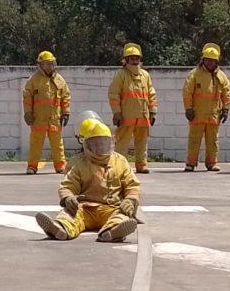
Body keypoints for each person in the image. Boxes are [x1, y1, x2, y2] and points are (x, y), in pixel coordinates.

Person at [35, 118, 140, 242]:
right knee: (69, 215)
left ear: (111, 143)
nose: (100, 147)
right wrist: (68, 198)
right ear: (87, 145)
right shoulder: (79, 163)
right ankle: (60, 229)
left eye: (103, 143)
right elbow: (68, 185)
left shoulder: (120, 161)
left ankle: (112, 232)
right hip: (84, 208)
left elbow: (132, 185)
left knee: (121, 215)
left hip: (111, 207)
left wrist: (130, 200)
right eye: (95, 144)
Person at [108, 43, 158, 174]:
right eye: (132, 58)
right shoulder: (121, 75)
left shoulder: (145, 75)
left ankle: (141, 165)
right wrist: (116, 113)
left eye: (137, 58)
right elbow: (113, 95)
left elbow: (151, 93)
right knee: (122, 143)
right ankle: (119, 167)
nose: (135, 60)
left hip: (143, 117)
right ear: (126, 60)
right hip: (126, 117)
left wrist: (153, 111)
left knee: (142, 143)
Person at [182, 43, 230, 171]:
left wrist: (226, 110)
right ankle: (191, 163)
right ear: (203, 59)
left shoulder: (221, 76)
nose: (210, 62)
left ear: (216, 61)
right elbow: (187, 92)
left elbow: (227, 93)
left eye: (212, 60)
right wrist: (188, 109)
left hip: (214, 115)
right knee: (194, 140)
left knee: (213, 142)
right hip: (197, 114)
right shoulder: (194, 74)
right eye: (208, 60)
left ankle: (212, 163)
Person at [23, 51, 71, 174]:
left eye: (51, 63)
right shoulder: (34, 80)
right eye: (47, 64)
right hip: (38, 119)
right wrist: (28, 113)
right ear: (40, 65)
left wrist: (66, 113)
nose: (50, 66)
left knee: (57, 144)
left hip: (55, 118)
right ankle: (32, 166)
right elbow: (27, 98)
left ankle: (60, 166)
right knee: (36, 144)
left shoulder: (59, 79)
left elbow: (65, 96)